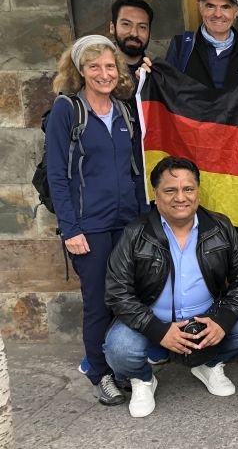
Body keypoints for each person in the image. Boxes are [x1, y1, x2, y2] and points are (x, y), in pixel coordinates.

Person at [104, 157, 238, 418]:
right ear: (155, 194)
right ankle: (143, 380)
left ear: (198, 192)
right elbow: (116, 292)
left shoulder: (220, 226)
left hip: (206, 317)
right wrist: (158, 329)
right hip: (150, 319)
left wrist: (222, 320)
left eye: (188, 189)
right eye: (170, 190)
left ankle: (210, 365)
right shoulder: (135, 233)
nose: (181, 197)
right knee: (118, 348)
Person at [45, 35, 144, 406]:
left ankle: (121, 367)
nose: (104, 74)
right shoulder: (67, 110)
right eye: (94, 67)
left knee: (128, 298)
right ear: (80, 71)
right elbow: (58, 175)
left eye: (109, 66)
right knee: (99, 302)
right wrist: (70, 229)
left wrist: (141, 221)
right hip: (90, 226)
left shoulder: (123, 110)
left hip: (126, 222)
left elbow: (135, 172)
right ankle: (99, 373)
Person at [163, 0, 238, 318]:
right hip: (195, 154)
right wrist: (150, 77)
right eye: (211, 6)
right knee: (198, 226)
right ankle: (205, 299)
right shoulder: (182, 47)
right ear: (200, 8)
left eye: (225, 7)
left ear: (236, 12)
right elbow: (167, 92)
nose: (218, 13)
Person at [110, 0, 153, 78]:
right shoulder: (96, 72)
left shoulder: (159, 75)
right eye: (126, 24)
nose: (134, 33)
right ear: (112, 27)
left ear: (150, 33)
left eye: (142, 27)